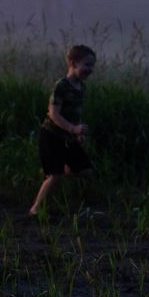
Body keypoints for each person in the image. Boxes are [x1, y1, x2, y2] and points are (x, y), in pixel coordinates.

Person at [28, 44, 96, 217]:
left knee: (86, 171)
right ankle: (35, 209)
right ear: (73, 63)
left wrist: (78, 131)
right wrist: (73, 128)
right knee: (55, 176)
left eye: (92, 65)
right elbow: (53, 113)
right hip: (51, 136)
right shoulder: (61, 86)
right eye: (87, 65)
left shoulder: (81, 87)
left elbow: (76, 112)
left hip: (69, 137)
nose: (90, 69)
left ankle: (63, 169)